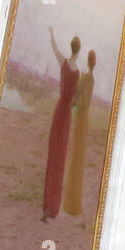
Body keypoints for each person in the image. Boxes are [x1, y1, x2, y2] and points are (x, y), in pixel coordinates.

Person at [43, 29, 81, 222]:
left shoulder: (64, 64)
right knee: (60, 159)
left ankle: (47, 206)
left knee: (53, 155)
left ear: (71, 48)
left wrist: (52, 35)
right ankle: (53, 209)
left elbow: (55, 49)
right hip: (66, 114)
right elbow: (75, 101)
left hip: (60, 111)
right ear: (79, 51)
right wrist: (71, 99)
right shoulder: (77, 72)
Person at [62, 50, 96, 217]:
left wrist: (71, 102)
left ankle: (70, 204)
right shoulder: (92, 79)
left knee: (75, 156)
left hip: (80, 115)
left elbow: (76, 96)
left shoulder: (84, 77)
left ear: (88, 62)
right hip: (86, 117)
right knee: (79, 157)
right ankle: (73, 203)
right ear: (94, 63)